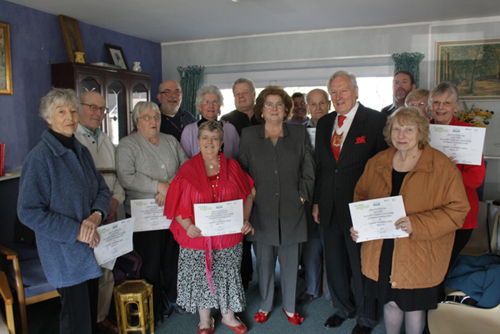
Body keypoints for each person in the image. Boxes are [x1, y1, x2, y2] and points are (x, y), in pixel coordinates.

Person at [350, 107, 470, 334]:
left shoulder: (441, 165)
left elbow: (458, 211)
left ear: (421, 132)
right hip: (383, 249)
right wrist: (359, 226)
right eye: (397, 129)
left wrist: (419, 224)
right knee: (391, 301)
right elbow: (361, 196)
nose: (401, 135)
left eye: (408, 129)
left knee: (414, 307)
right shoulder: (377, 161)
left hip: (420, 250)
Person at [18, 88, 111, 334]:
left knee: (88, 316)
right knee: (76, 322)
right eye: (61, 111)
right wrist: (77, 231)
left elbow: (102, 189)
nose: (69, 116)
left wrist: (96, 215)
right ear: (48, 118)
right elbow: (28, 212)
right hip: (64, 253)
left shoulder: (80, 150)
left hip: (90, 248)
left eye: (72, 110)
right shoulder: (39, 158)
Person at [313, 70, 388, 334]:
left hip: (361, 209)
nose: (337, 96)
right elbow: (321, 166)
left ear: (356, 92)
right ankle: (344, 308)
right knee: (334, 264)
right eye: (333, 92)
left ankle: (367, 317)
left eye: (343, 90)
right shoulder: (324, 123)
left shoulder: (377, 121)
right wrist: (317, 202)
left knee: (361, 266)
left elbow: (384, 168)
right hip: (329, 206)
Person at [165, 121, 255, 334]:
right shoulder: (186, 170)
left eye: (215, 138)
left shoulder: (232, 167)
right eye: (205, 137)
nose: (210, 142)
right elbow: (174, 203)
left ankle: (228, 316)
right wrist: (187, 225)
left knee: (227, 274)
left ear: (222, 142)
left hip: (228, 237)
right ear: (197, 141)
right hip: (196, 237)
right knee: (200, 277)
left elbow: (248, 193)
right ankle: (205, 320)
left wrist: (244, 219)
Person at [238, 85, 315, 326]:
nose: (274, 108)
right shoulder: (249, 135)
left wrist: (302, 197)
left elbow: (309, 170)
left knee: (291, 263)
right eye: (269, 104)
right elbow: (242, 172)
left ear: (286, 109)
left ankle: (290, 308)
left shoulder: (300, 134)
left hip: (293, 210)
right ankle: (265, 303)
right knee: (265, 263)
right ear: (261, 109)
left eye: (279, 104)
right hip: (261, 211)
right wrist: (248, 198)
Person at [116, 101, 189, 325]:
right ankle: (155, 307)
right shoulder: (127, 145)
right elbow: (126, 176)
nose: (153, 121)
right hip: (144, 217)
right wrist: (159, 187)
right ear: (136, 122)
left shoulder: (170, 141)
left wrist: (170, 190)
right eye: (146, 117)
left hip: (172, 213)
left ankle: (175, 299)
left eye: (156, 116)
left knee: (172, 258)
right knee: (149, 262)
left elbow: (185, 168)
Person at [75, 91, 124, 333]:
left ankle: (101, 317)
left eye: (102, 109)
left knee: (106, 270)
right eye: (92, 107)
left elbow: (117, 178)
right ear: (79, 107)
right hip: (85, 220)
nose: (98, 113)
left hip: (109, 215)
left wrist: (114, 201)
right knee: (85, 276)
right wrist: (98, 211)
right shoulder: (72, 139)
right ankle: (86, 322)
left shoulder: (107, 139)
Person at [429, 82, 486, 267]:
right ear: (430, 105)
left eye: (446, 103)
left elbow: (476, 179)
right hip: (427, 211)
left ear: (457, 106)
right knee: (426, 263)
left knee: (444, 265)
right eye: (436, 102)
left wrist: (449, 173)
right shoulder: (420, 132)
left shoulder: (469, 134)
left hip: (459, 215)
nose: (440, 108)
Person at [221, 77, 260, 289]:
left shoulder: (265, 116)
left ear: (254, 94)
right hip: (239, 186)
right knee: (240, 231)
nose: (241, 97)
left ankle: (267, 278)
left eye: (244, 92)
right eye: (236, 94)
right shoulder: (226, 121)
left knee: (262, 229)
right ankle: (243, 279)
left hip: (264, 181)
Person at [297, 88, 331, 305]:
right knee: (311, 247)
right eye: (313, 104)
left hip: (331, 197)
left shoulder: (339, 129)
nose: (318, 108)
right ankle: (311, 288)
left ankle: (333, 291)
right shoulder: (299, 133)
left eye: (322, 103)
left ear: (329, 104)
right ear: (307, 107)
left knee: (333, 247)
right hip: (307, 198)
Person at [181, 84, 240, 159]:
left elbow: (237, 158)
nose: (211, 106)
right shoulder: (189, 131)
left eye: (215, 102)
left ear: (219, 106)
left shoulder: (230, 129)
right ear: (200, 106)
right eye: (206, 102)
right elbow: (185, 162)